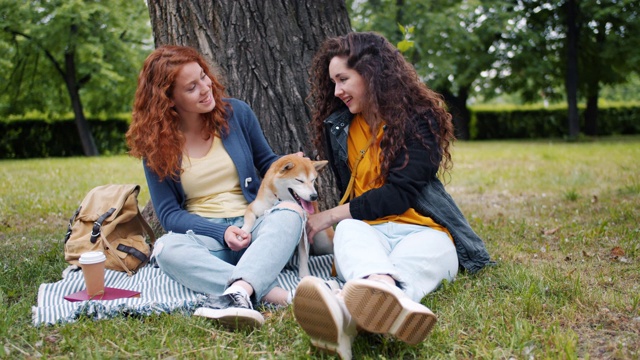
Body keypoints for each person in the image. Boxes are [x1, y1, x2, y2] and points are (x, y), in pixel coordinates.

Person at [292, 32, 492, 359]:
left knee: (418, 256)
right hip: (366, 227)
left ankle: (347, 312)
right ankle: (381, 296)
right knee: (352, 231)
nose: (337, 91)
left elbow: (399, 195)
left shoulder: (419, 119)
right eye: (333, 83)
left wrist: (328, 215)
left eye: (343, 79)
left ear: (371, 73)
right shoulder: (340, 126)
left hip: (425, 229)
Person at [126, 45, 305, 330]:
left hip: (254, 228)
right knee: (166, 248)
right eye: (191, 87)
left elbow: (267, 162)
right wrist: (221, 232)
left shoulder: (237, 114)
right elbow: (169, 214)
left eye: (203, 77)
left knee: (290, 213)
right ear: (169, 100)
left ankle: (238, 292)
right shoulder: (156, 146)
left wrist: (290, 167)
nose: (205, 88)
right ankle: (265, 292)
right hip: (206, 240)